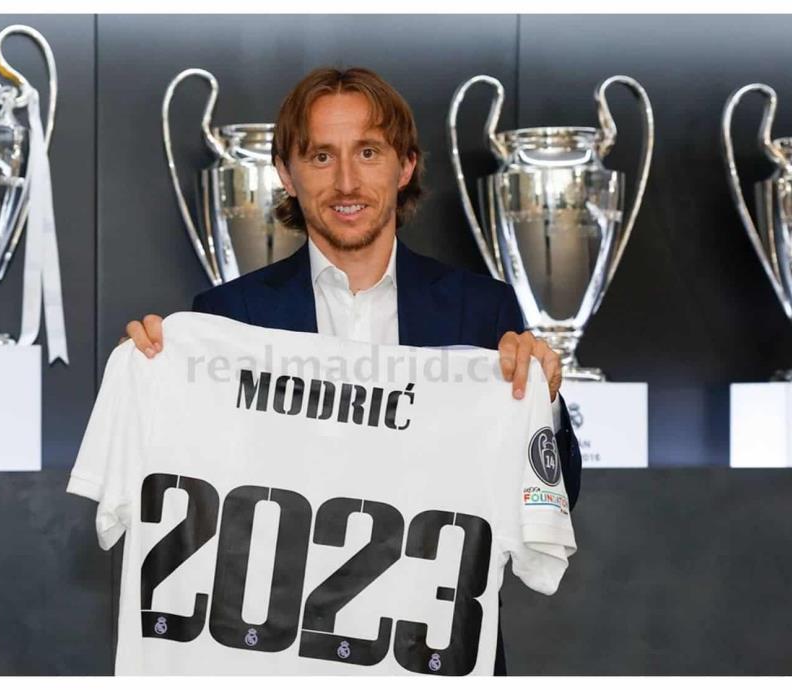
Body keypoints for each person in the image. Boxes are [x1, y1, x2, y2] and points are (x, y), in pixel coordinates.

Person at [124, 66, 581, 674]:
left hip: (434, 660)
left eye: (368, 152)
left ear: (405, 165)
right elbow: (194, 514)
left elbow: (554, 496)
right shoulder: (225, 318)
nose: (346, 181)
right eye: (321, 156)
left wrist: (543, 403)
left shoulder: (482, 311)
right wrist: (154, 387)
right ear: (286, 173)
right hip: (278, 665)